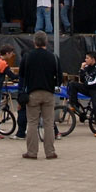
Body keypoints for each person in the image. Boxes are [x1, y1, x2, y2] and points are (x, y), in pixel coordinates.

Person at [21, 31, 60, 160]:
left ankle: (32, 152)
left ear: (34, 42)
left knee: (32, 123)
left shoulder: (27, 57)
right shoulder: (53, 57)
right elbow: (59, 77)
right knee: (48, 123)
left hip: (32, 93)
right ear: (46, 42)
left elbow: (22, 75)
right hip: (48, 93)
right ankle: (50, 152)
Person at [68, 50, 96, 136]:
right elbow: (82, 79)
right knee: (73, 85)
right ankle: (74, 105)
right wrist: (82, 69)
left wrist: (86, 84)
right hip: (88, 88)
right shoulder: (87, 67)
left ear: (93, 59)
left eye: (87, 58)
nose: (85, 60)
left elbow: (95, 81)